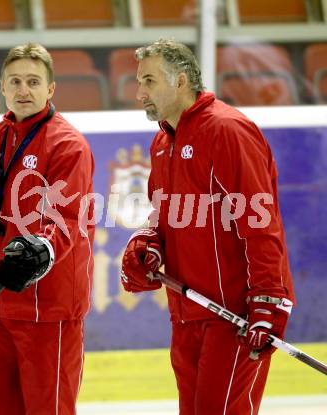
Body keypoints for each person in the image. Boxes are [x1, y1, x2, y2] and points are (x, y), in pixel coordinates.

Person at [121, 38, 295, 415]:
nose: (140, 93)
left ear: (180, 80)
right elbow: (163, 217)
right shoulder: (163, 142)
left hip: (234, 312)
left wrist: (265, 300)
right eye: (140, 82)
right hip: (188, 310)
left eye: (148, 81)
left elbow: (259, 222)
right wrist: (146, 246)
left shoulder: (227, 130)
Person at [0, 42, 95, 415]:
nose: (23, 90)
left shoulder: (67, 145)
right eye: (15, 81)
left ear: (51, 89)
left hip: (47, 313)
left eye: (33, 81)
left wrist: (38, 251)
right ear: (1, 86)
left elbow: (67, 219)